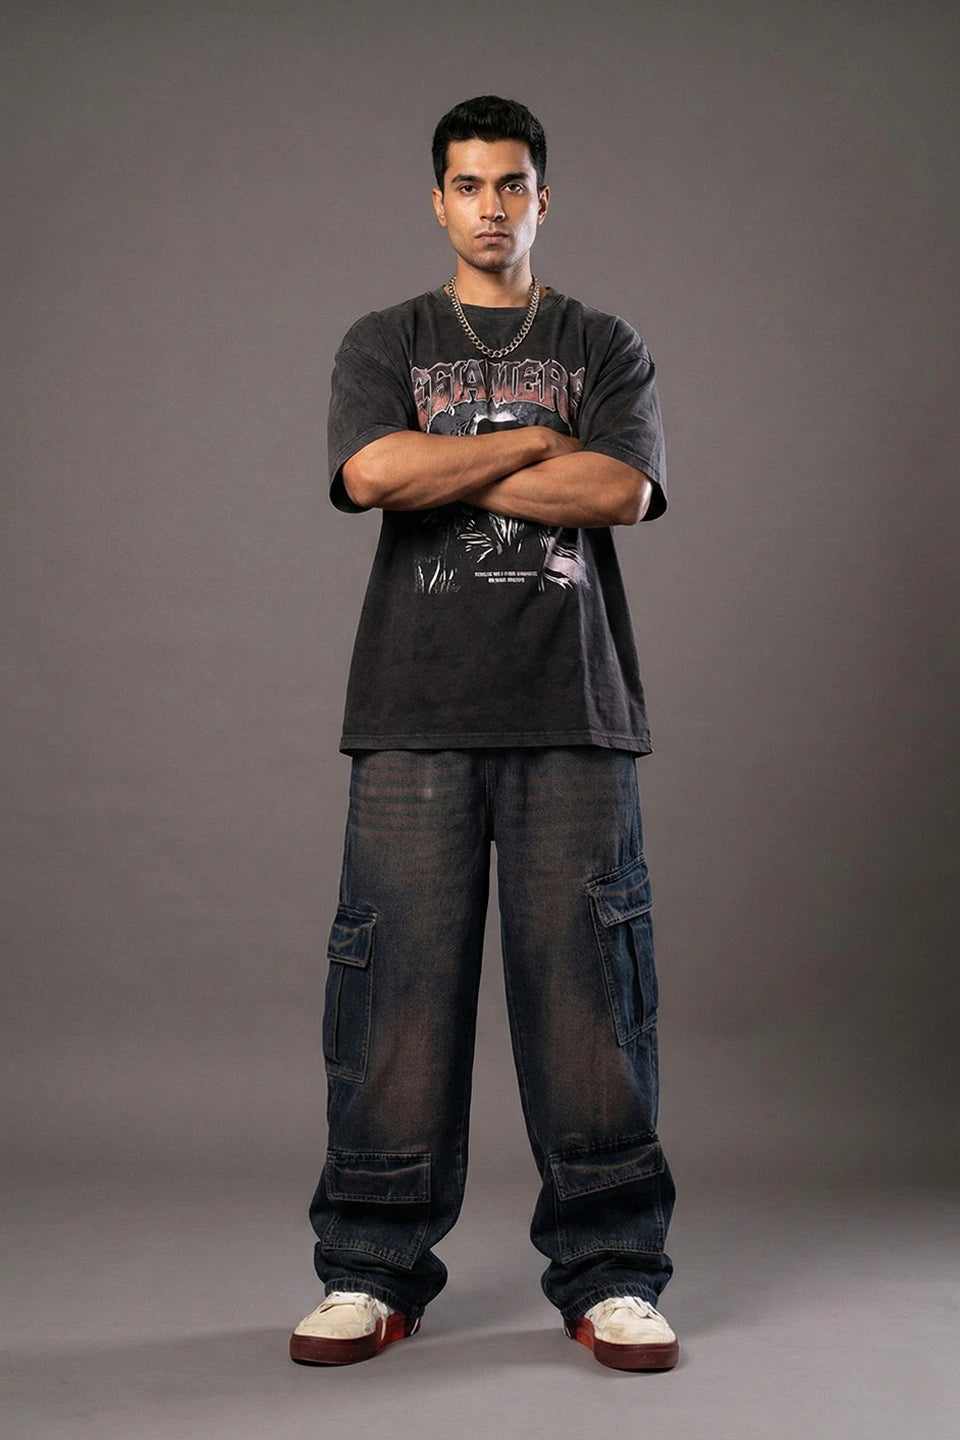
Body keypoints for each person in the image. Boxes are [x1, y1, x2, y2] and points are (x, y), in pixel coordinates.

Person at [290, 96, 678, 1373]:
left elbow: (618, 488)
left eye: (514, 184)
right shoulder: (383, 336)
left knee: (589, 1004)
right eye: (469, 185)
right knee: (394, 992)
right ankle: (369, 1269)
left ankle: (613, 1271)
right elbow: (370, 475)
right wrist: (526, 443)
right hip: (412, 715)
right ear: (439, 202)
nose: (493, 206)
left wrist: (445, 454)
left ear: (543, 198)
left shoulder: (602, 338)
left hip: (575, 713)